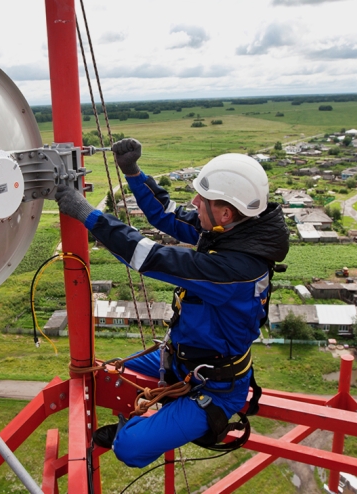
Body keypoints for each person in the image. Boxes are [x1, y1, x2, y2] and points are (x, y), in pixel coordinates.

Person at [54, 138, 289, 468]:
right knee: (106, 377)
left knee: (130, 449)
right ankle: (148, 420)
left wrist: (87, 215)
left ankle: (133, 429)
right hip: (182, 358)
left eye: (202, 200)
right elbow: (166, 216)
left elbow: (149, 256)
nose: (194, 202)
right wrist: (133, 173)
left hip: (216, 385)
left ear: (225, 212)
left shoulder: (235, 270)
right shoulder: (232, 231)